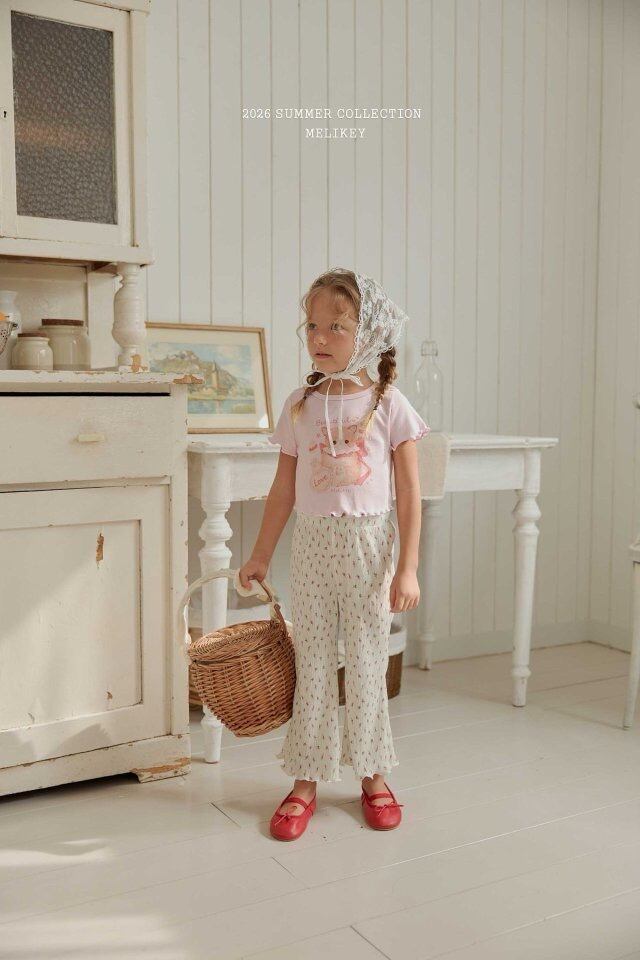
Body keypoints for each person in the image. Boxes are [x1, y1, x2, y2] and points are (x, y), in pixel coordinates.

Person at [238, 267, 430, 840]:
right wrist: (260, 555)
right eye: (312, 326)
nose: (320, 338)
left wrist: (408, 567)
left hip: (370, 549)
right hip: (313, 548)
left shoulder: (389, 404)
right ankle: (306, 778)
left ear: (366, 334)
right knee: (314, 661)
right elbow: (282, 490)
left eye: (336, 327)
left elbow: (409, 492)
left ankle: (372, 773)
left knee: (368, 660)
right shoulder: (300, 405)